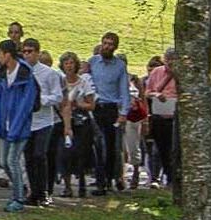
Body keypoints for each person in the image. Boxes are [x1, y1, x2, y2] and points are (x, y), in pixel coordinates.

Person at [0, 40, 39, 213]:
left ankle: (18, 198)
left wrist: (17, 127)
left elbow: (27, 103)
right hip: (5, 125)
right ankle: (21, 186)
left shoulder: (26, 74)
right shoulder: (2, 74)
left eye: (0, 53)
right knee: (4, 162)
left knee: (13, 160)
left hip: (19, 126)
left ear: (7, 54)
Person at [88, 32, 130, 195]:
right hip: (96, 106)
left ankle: (109, 178)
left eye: (110, 44)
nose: (107, 46)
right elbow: (86, 81)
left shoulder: (119, 66)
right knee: (99, 145)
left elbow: (124, 89)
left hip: (112, 107)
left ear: (115, 47)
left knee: (112, 146)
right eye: (105, 43)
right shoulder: (93, 62)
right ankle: (99, 181)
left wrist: (124, 112)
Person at [21, 39, 62, 206]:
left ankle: (44, 191)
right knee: (29, 157)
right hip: (27, 121)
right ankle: (33, 192)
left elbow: (58, 96)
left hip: (44, 121)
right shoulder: (20, 72)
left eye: (31, 51)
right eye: (25, 51)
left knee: (40, 155)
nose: (27, 54)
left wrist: (40, 100)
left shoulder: (49, 73)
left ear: (38, 53)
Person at [58, 52, 98, 198]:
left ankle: (81, 184)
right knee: (64, 154)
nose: (69, 66)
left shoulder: (84, 83)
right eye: (66, 63)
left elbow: (91, 105)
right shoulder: (60, 82)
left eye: (71, 63)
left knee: (81, 153)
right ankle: (67, 186)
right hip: (63, 121)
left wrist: (79, 104)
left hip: (81, 123)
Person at [145, 48, 178, 188]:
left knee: (174, 148)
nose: (170, 63)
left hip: (175, 116)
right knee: (161, 148)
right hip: (159, 115)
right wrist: (156, 95)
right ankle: (165, 175)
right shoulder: (157, 72)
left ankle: (173, 178)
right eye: (168, 60)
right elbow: (147, 92)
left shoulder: (181, 75)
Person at [124, 74, 149, 189]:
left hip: (134, 118)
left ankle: (135, 172)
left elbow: (143, 101)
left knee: (133, 147)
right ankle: (120, 175)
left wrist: (145, 121)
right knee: (120, 149)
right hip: (119, 117)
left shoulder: (134, 80)